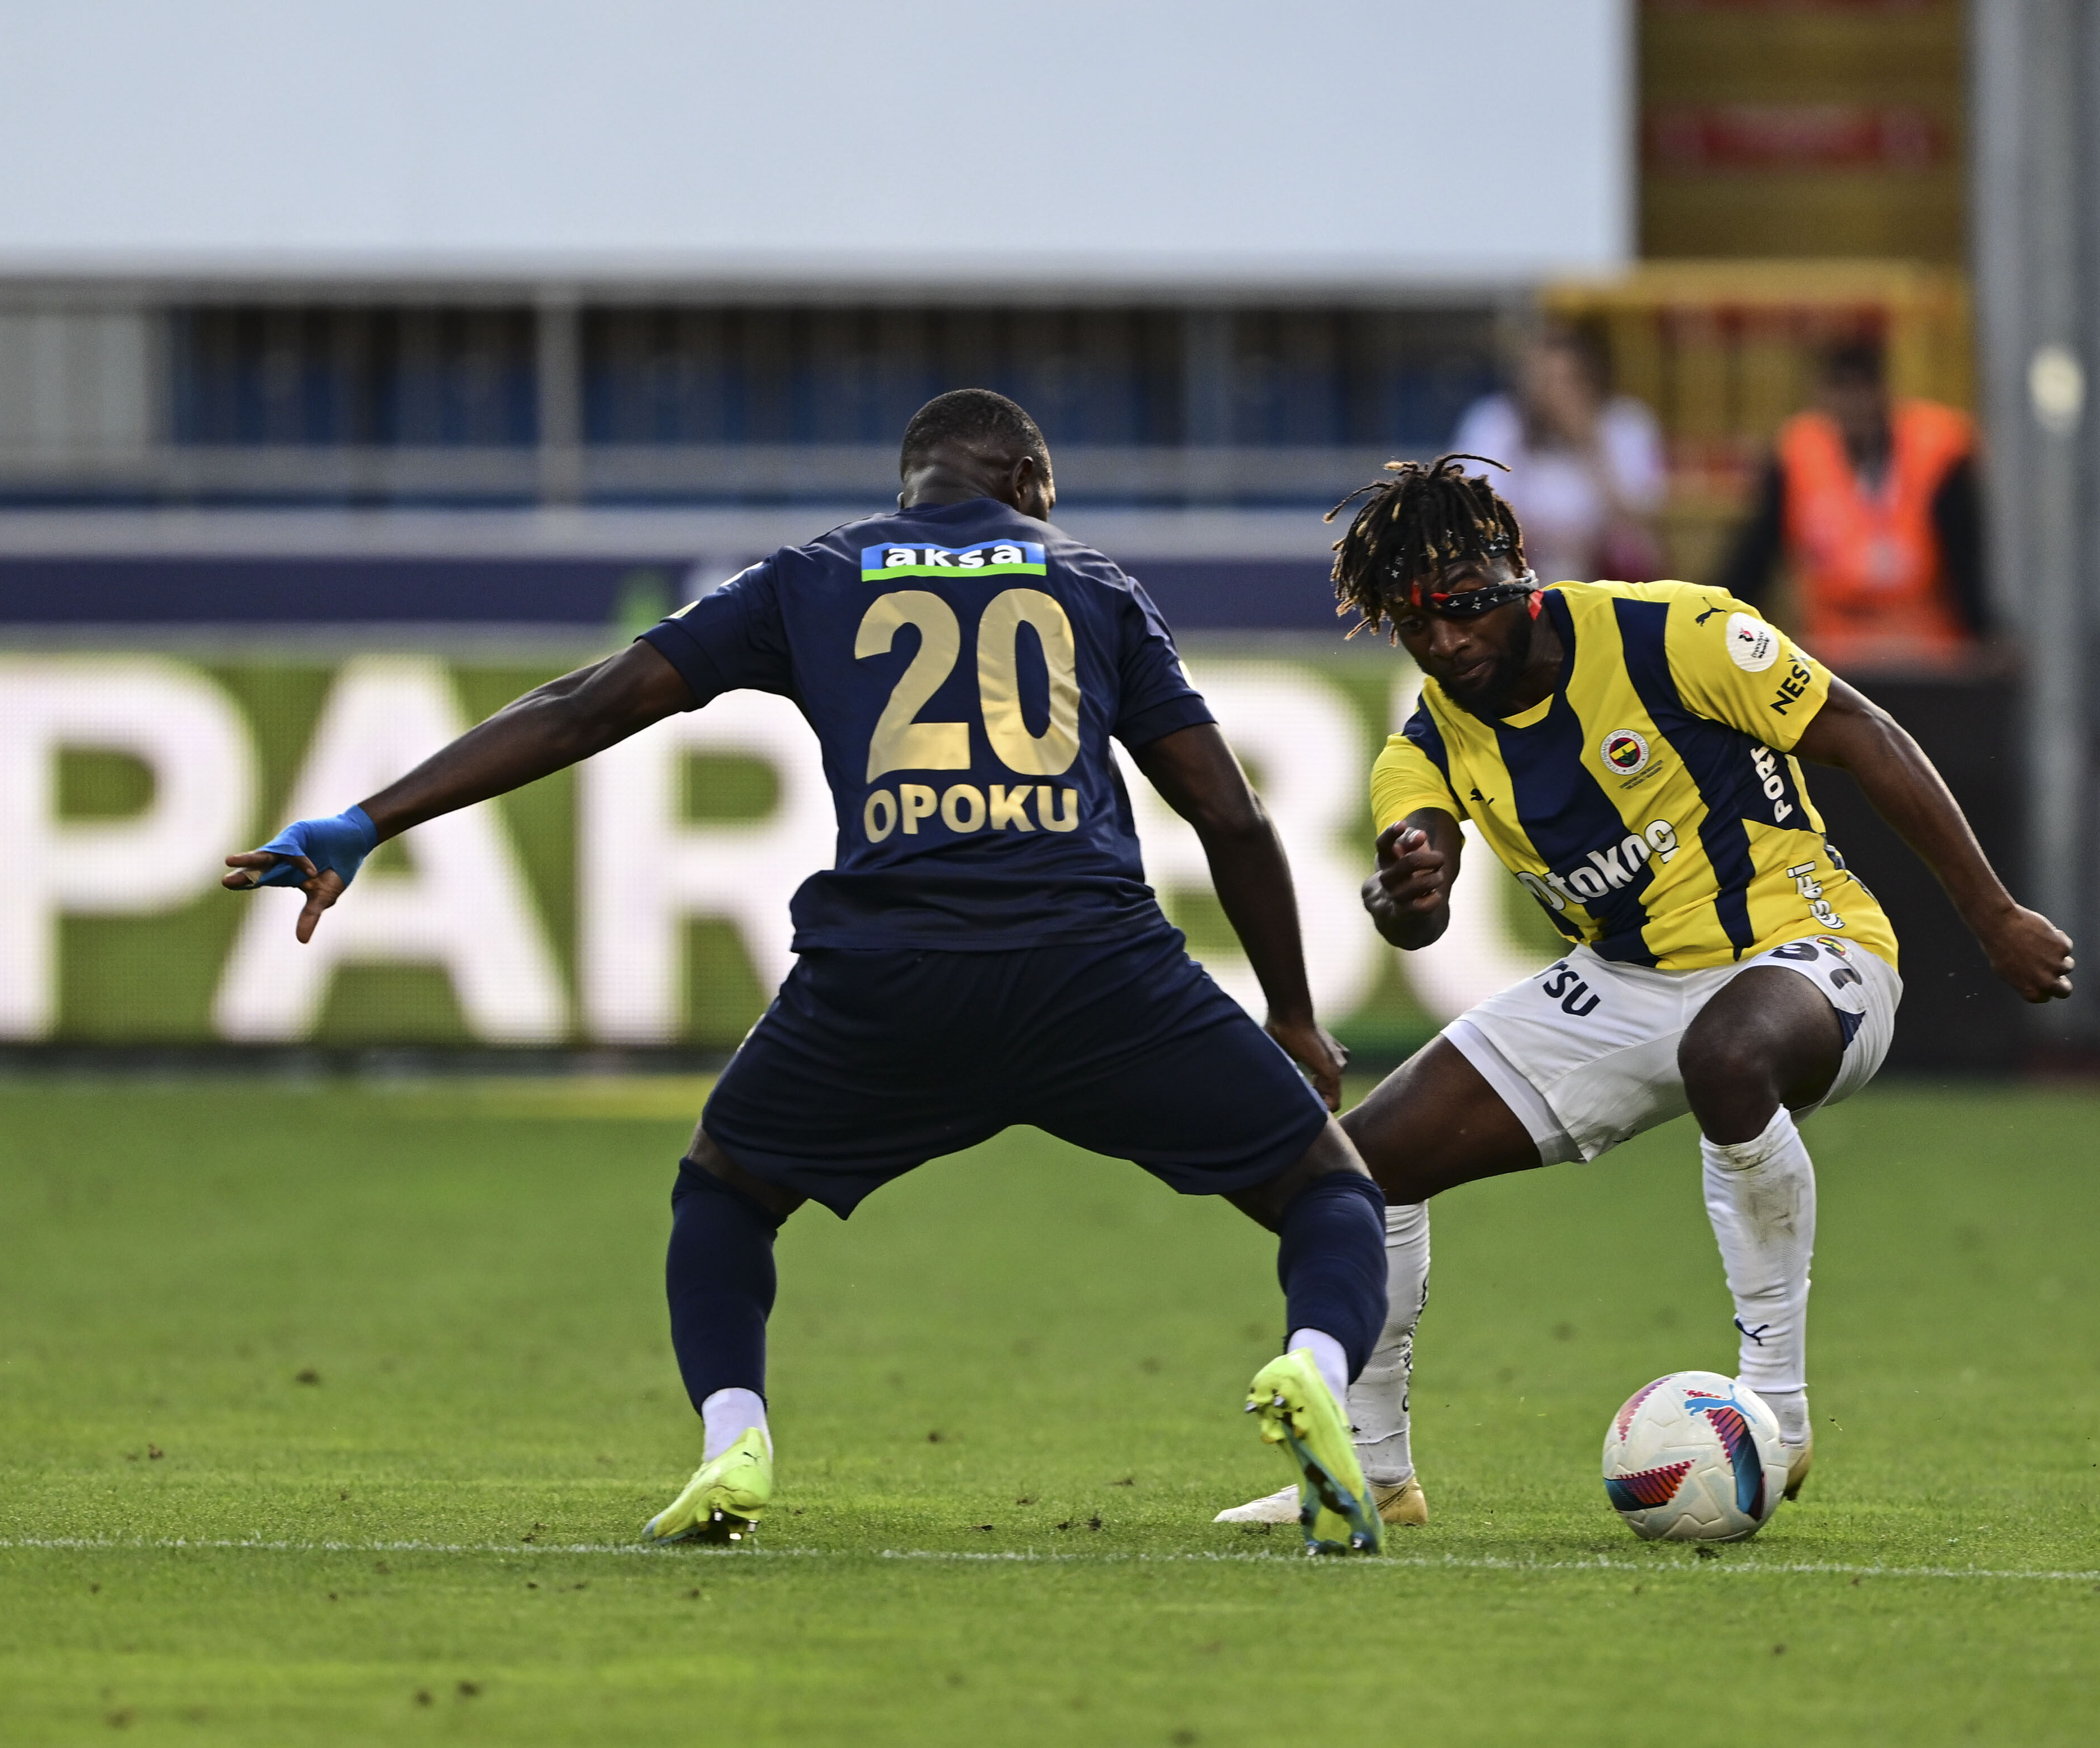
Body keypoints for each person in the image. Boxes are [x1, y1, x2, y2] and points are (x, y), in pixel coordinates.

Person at [223, 390, 1395, 1555]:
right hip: (1094, 968)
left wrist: (367, 822)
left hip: (889, 975)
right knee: (1327, 1192)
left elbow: (588, 706)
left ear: (914, 485)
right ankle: (1313, 1368)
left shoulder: (809, 575)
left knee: (727, 1191)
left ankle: (735, 1440)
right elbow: (1228, 817)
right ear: (1028, 482)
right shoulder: (1090, 581)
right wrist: (1292, 1016)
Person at [1218, 455, 2071, 1528]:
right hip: (1618, 985)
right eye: (1409, 623)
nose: (1440, 642)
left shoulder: (1670, 632)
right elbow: (1416, 876)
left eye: (1455, 610)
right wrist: (1404, 893)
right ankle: (1374, 1472)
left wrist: (1990, 913)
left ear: (1513, 572)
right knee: (1362, 1168)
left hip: (1804, 945)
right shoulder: (1427, 739)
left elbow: (1866, 736)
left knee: (1725, 1052)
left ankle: (1774, 1408)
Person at [1716, 336, 1987, 670]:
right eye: (1841, 391)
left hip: (1928, 651)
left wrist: (1983, 636)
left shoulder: (1936, 454)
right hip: (1837, 651)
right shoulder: (1798, 458)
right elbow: (1756, 554)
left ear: (1882, 392)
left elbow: (1966, 556)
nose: (1853, 405)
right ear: (1824, 399)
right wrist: (1718, 620)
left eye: (1861, 390)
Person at [1452, 322, 1666, 585]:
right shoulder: (1496, 421)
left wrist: (1589, 443)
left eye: (1569, 381)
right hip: (1522, 559)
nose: (1556, 395)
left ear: (1591, 379)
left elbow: (1639, 519)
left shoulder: (1624, 423)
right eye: (1546, 381)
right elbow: (1480, 511)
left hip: (1602, 563)